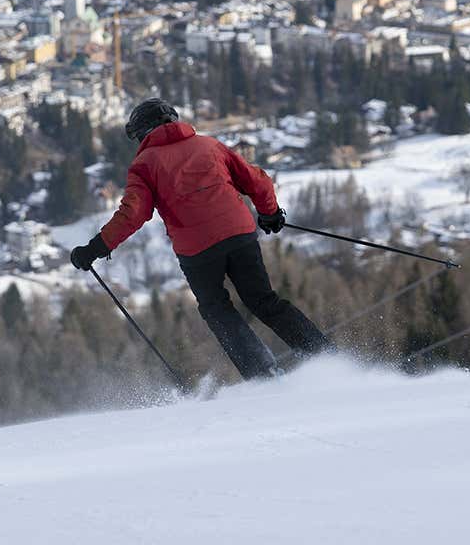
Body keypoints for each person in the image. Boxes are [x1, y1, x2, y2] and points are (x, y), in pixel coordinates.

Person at [70, 98, 332, 379]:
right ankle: (324, 357)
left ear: (142, 132)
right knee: (263, 300)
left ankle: (262, 373)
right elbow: (257, 181)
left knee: (217, 310)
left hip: (197, 251)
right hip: (239, 234)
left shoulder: (144, 164)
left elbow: (133, 212)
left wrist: (95, 248)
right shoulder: (209, 145)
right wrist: (269, 213)